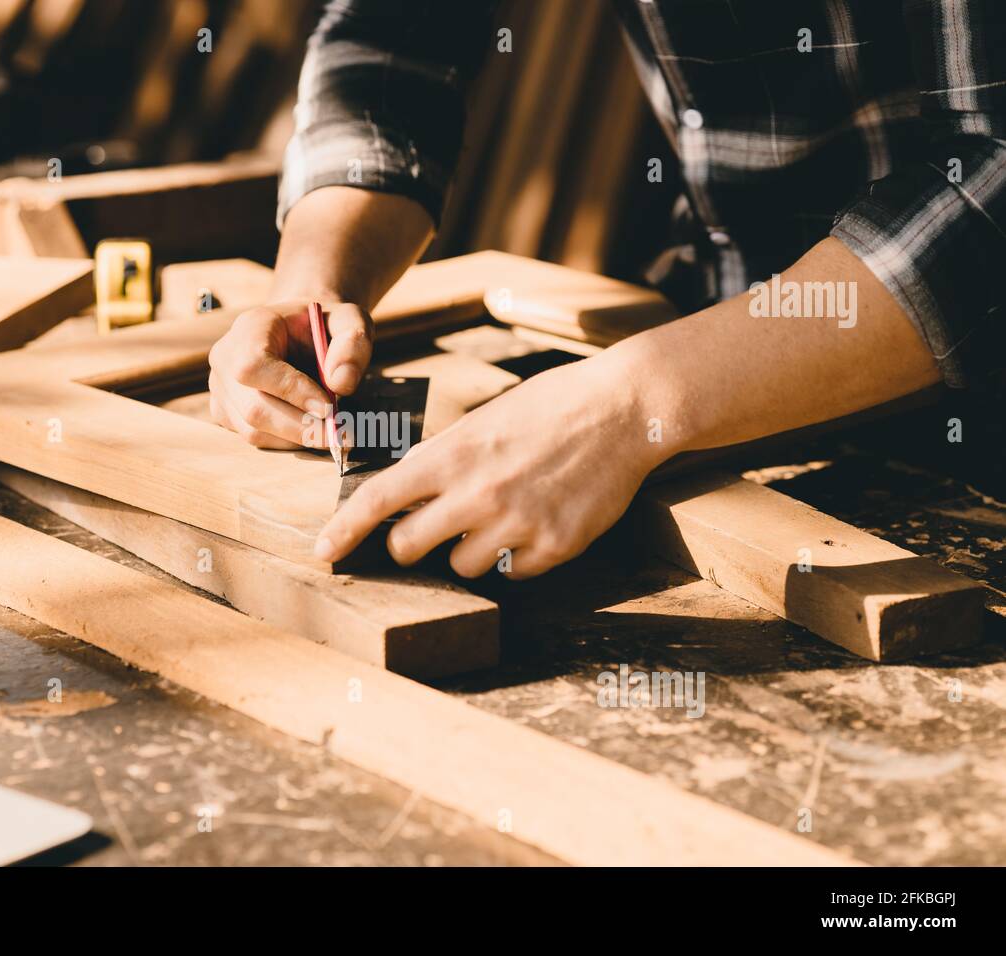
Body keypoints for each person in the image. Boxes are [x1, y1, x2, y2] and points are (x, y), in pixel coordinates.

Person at [206, 0, 1006, 580]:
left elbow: (992, 179)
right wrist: (314, 284)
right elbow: (395, 41)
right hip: (717, 342)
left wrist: (631, 405)